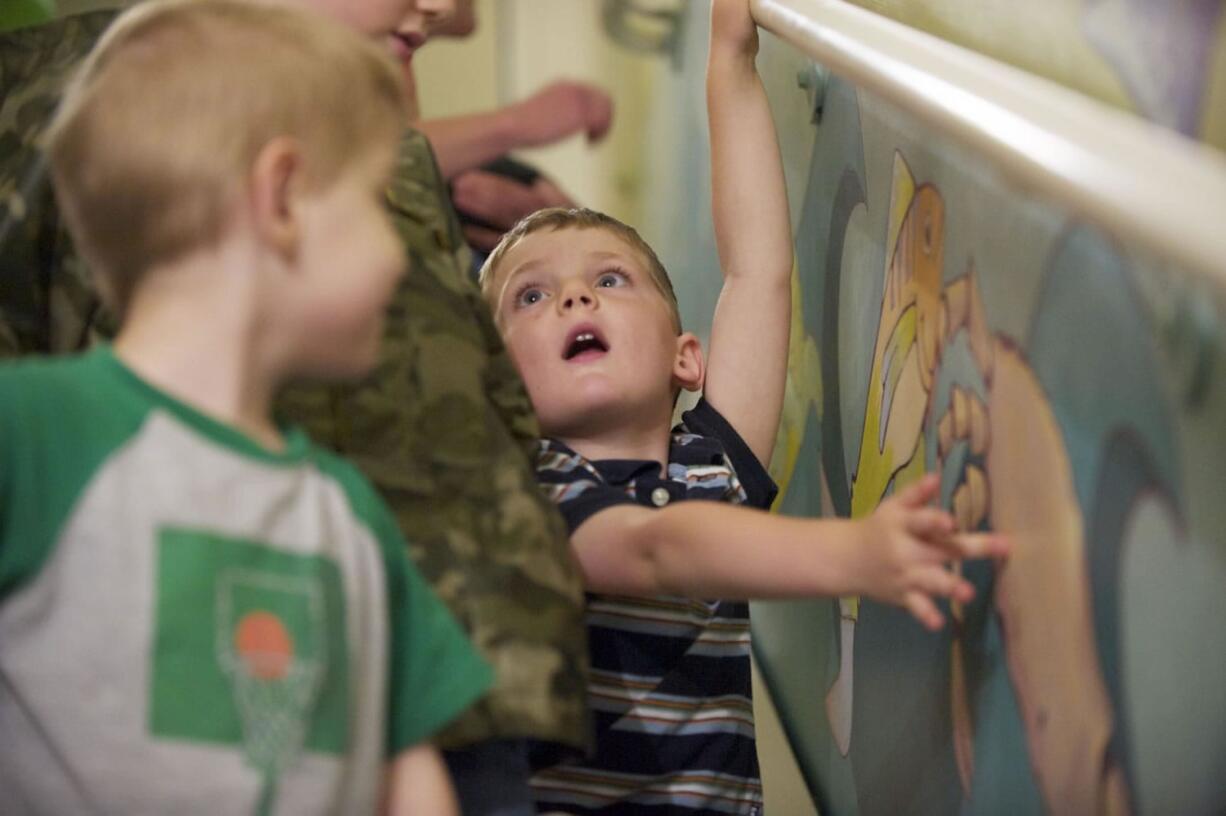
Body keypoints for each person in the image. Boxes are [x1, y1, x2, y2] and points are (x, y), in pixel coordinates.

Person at [1, 1, 591, 813]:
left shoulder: (346, 515)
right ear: (280, 199)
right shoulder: (35, 433)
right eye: (374, 209)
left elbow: (409, 766)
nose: (399, 256)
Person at [477, 1, 1010, 812]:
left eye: (609, 280)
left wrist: (730, 64)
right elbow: (655, 548)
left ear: (687, 357)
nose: (575, 293)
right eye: (532, 295)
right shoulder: (524, 490)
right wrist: (853, 557)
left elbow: (758, 269)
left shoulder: (712, 465)